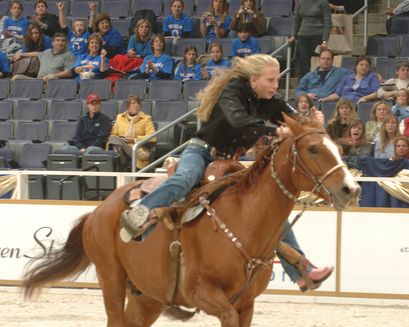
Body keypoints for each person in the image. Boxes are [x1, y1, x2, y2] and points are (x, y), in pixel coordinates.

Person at [119, 54, 333, 291]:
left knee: (267, 210)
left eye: (277, 80)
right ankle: (140, 212)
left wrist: (312, 122)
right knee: (184, 179)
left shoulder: (270, 99)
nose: (275, 86)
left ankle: (303, 272)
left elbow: (295, 118)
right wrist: (276, 131)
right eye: (270, 80)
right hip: (201, 152)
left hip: (229, 164)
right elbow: (239, 121)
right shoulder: (232, 91)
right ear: (253, 80)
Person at [108, 95, 156, 170]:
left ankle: (122, 164)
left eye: (138, 103)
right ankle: (123, 163)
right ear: (128, 106)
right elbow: (114, 134)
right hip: (122, 145)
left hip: (136, 148)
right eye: (133, 103)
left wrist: (135, 140)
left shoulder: (146, 119)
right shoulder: (120, 117)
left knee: (117, 145)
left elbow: (153, 137)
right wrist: (123, 139)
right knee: (113, 139)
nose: (136, 105)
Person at [288, 0, 331, 78]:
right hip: (302, 36)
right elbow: (296, 20)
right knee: (303, 62)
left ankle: (319, 84)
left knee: (320, 62)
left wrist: (325, 40)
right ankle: (303, 86)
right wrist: (293, 35)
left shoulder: (323, 2)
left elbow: (327, 21)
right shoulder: (300, 2)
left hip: (318, 35)